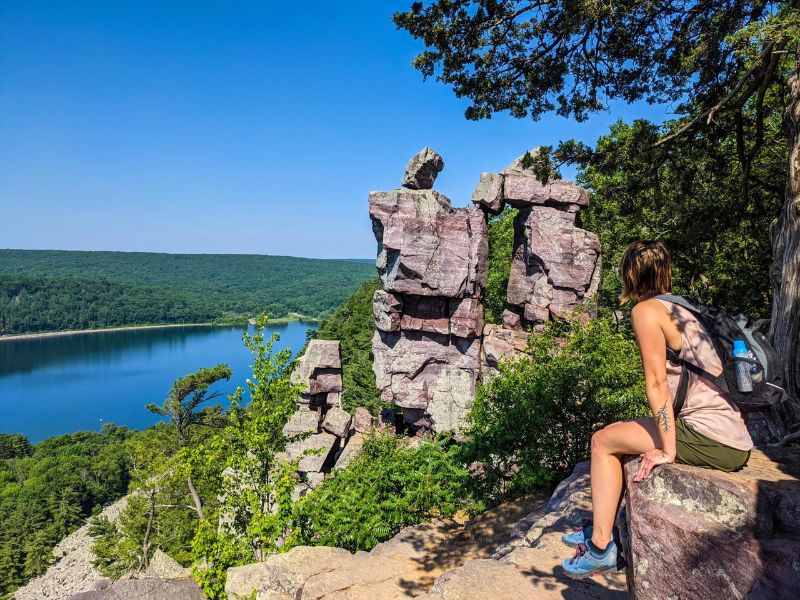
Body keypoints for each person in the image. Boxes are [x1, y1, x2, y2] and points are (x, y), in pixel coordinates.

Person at [561, 240, 753, 579]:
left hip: (715, 438)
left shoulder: (646, 311)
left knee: (602, 442)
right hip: (727, 428)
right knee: (617, 434)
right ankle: (604, 528)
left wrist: (668, 450)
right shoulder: (680, 307)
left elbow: (657, 384)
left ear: (629, 275)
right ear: (664, 272)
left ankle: (602, 548)